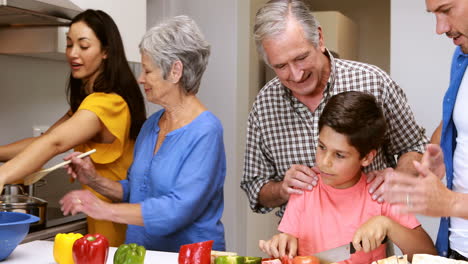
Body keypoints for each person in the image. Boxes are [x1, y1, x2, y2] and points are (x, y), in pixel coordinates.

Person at [240, 0, 428, 219]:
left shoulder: (374, 83)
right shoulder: (264, 105)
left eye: (301, 58)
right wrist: (282, 188)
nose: (296, 74)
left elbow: (415, 146)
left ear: (319, 39)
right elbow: (255, 187)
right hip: (299, 244)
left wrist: (398, 176)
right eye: (281, 66)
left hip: (372, 238)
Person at [59, 15, 226, 252]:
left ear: (175, 71)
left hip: (190, 257)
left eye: (147, 70)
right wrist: (94, 180)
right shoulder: (152, 125)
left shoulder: (206, 131)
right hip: (142, 253)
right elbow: (136, 191)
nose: (140, 78)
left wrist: (105, 210)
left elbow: (178, 209)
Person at [0, 9, 147, 246]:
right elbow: (46, 139)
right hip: (101, 220)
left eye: (84, 45)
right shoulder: (90, 103)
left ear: (106, 51)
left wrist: (3, 175)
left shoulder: (109, 103)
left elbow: (55, 144)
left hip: (117, 225)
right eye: (69, 44)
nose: (73, 53)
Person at [258, 91, 436, 263]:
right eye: (321, 147)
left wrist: (388, 225)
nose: (325, 162)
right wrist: (284, 242)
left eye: (339, 155)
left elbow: (429, 257)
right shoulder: (306, 188)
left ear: (367, 157)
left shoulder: (380, 195)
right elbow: (289, 244)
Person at [383, 0, 468, 260]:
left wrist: (452, 203)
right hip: (458, 247)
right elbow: (454, 124)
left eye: (446, 10)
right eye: (434, 14)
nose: (440, 28)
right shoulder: (463, 56)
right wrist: (438, 160)